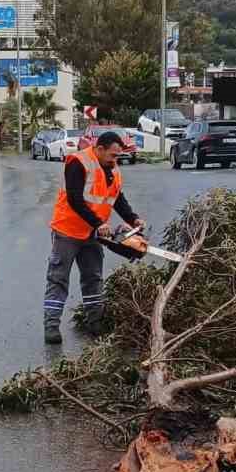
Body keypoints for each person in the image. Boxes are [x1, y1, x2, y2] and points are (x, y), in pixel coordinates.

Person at [44, 130, 144, 344]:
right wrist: (99, 223)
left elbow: (116, 198)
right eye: (113, 155)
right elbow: (74, 199)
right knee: (58, 279)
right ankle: (51, 326)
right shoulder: (78, 162)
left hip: (93, 234)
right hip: (67, 231)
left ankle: (95, 323)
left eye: (118, 156)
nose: (116, 160)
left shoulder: (112, 169)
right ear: (99, 149)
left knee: (93, 278)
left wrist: (132, 218)